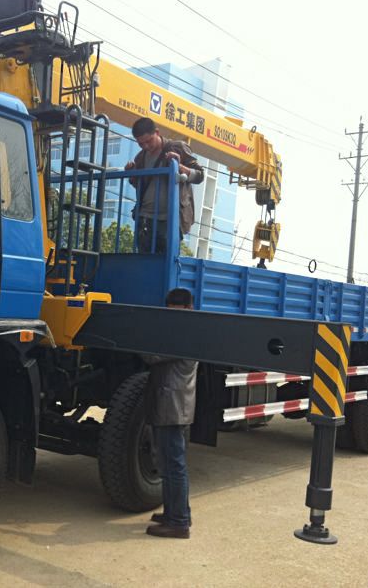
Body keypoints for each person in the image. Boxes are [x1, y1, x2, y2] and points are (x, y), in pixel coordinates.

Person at [143, 288, 198, 539]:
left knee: (174, 465)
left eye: (174, 309)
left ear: (188, 309)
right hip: (168, 404)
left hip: (173, 406)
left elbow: (151, 355)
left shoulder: (184, 334)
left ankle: (178, 522)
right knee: (167, 464)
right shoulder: (182, 330)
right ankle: (175, 512)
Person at [125, 117, 204, 254]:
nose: (146, 146)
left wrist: (179, 167)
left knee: (167, 263)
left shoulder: (178, 148)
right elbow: (141, 187)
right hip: (145, 219)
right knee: (144, 263)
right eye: (141, 144)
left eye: (149, 141)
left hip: (170, 219)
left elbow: (200, 175)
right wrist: (132, 176)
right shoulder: (140, 158)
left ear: (157, 132)